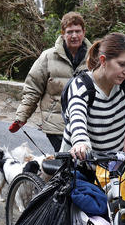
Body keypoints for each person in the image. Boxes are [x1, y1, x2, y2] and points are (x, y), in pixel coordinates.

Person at [62, 32, 125, 160]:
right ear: (103, 61)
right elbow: (77, 118)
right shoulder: (80, 86)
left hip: (112, 165)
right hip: (78, 163)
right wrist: (81, 142)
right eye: (122, 64)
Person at [9, 12, 92, 152]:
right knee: (66, 164)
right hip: (56, 125)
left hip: (86, 124)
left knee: (84, 167)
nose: (74, 36)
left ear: (84, 32)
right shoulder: (48, 57)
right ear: (63, 33)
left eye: (78, 31)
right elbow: (33, 88)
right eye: (69, 32)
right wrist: (21, 116)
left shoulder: (94, 57)